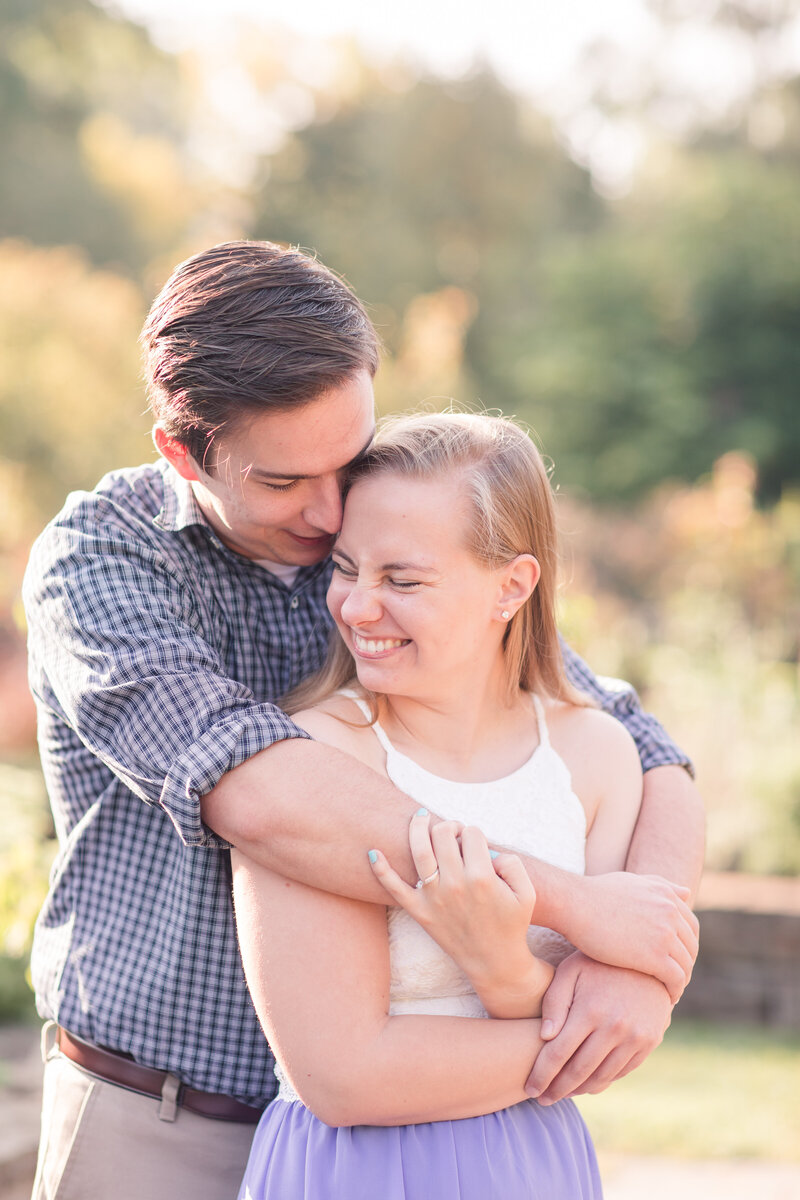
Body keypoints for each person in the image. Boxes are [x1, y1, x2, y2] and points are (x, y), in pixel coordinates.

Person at [22, 241, 702, 1200]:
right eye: (286, 482)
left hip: (398, 1132)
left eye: (348, 458)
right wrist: (576, 903)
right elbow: (259, 794)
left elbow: (643, 746)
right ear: (183, 449)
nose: (333, 510)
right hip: (160, 1120)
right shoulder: (99, 568)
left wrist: (643, 959)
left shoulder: (367, 548)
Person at [232, 410, 671, 1198]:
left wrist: (502, 965)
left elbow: (606, 1026)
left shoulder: (596, 756)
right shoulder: (317, 760)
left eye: (403, 580)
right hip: (354, 1170)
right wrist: (571, 1042)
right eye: (345, 568)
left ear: (513, 585)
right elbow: (343, 1078)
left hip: (537, 1166)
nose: (358, 608)